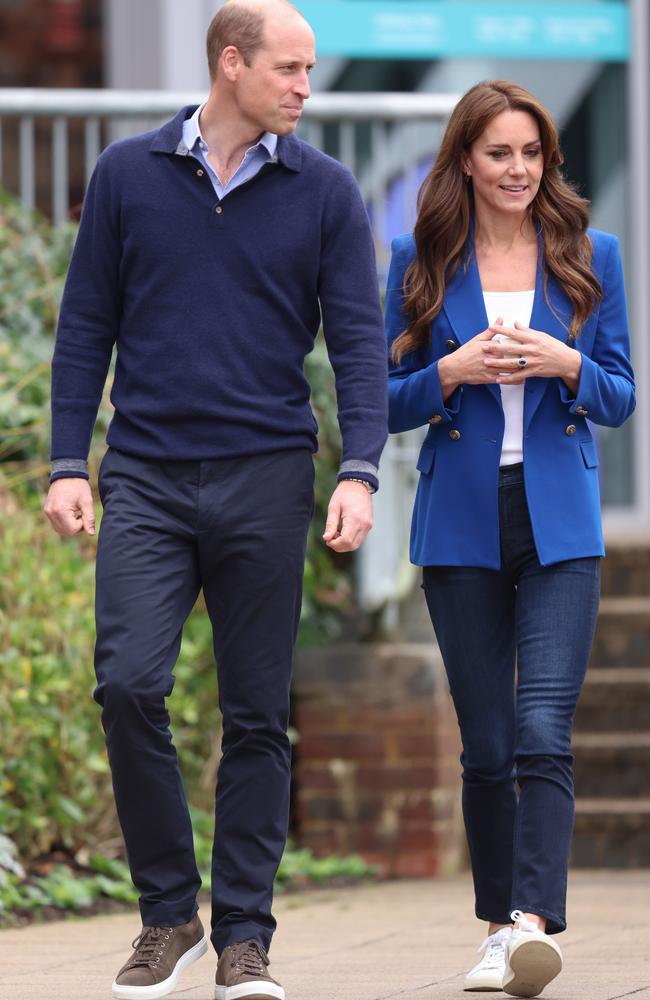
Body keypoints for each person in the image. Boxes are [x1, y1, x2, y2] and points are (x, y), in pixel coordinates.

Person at [44, 2, 387, 998]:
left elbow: (356, 343)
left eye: (309, 69)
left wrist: (357, 469)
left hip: (266, 475)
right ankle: (167, 917)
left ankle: (244, 936)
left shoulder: (322, 191)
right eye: (288, 68)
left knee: (254, 716)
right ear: (229, 64)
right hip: (146, 473)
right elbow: (84, 330)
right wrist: (71, 463)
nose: (304, 88)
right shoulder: (125, 176)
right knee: (127, 684)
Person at [385, 80, 634, 997]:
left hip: (560, 519)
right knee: (487, 744)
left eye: (532, 153)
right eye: (499, 153)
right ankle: (498, 929)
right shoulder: (419, 260)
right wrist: (448, 371)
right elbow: (378, 399)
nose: (519, 170)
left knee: (542, 731)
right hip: (460, 521)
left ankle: (532, 923)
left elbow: (620, 392)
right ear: (465, 160)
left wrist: (569, 363)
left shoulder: (589, 254)